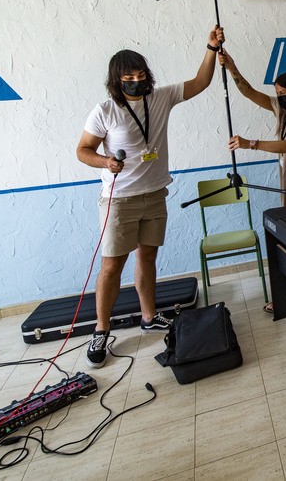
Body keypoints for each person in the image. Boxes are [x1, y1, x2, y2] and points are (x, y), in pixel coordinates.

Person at [76, 26, 225, 368]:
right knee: (112, 265)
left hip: (155, 194)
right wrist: (106, 162)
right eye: (129, 76)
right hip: (119, 200)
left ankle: (148, 317)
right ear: (117, 79)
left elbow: (200, 82)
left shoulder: (160, 98)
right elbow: (83, 150)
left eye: (141, 74)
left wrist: (210, 47)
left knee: (148, 258)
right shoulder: (104, 111)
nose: (136, 80)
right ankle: (101, 330)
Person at [219, 51, 286, 314]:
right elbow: (249, 92)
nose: (279, 98)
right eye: (277, 94)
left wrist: (250, 144)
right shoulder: (283, 110)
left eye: (283, 93)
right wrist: (232, 67)